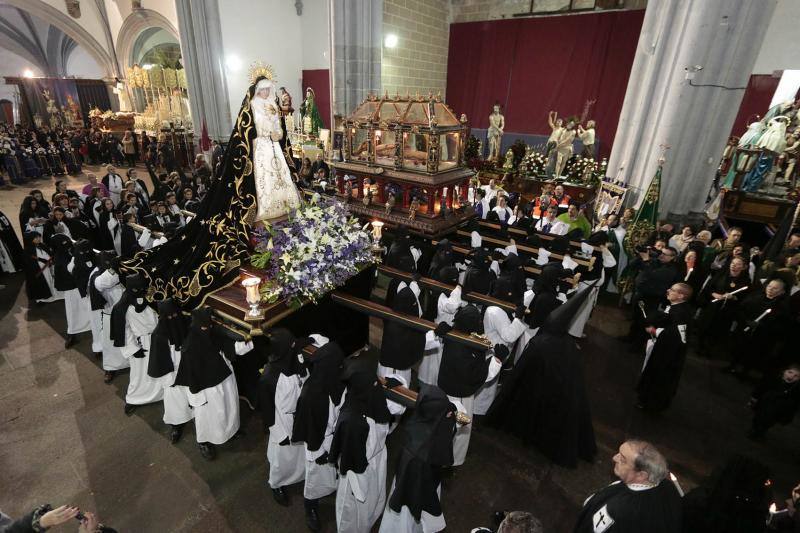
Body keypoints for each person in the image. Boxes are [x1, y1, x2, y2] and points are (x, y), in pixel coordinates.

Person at [487, 284, 597, 468]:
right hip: (558, 399)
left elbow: (520, 373)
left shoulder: (540, 343)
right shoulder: (569, 345)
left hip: (536, 391)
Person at [330, 358, 407, 533]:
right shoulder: (352, 421)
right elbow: (351, 459)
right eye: (374, 383)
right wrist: (360, 486)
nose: (377, 387)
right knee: (353, 510)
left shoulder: (370, 398)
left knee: (373, 500)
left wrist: (392, 382)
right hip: (359, 473)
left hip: (376, 460)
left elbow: (398, 407)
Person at [173, 308, 249, 460]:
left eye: (209, 326)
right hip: (207, 390)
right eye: (203, 327)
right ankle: (204, 441)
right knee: (207, 416)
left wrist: (247, 336)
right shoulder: (190, 347)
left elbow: (233, 348)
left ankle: (230, 432)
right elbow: (191, 378)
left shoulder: (215, 333)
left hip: (225, 379)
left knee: (229, 407)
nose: (206, 329)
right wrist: (196, 400)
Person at [379, 386, 458, 533]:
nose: (449, 414)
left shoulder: (423, 421)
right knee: (405, 521)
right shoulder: (417, 450)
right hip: (412, 484)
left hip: (424, 475)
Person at [436, 305, 504, 465]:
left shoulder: (453, 335)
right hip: (460, 396)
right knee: (459, 429)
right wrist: (497, 360)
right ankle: (451, 461)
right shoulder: (463, 347)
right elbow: (479, 375)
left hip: (444, 389)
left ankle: (442, 456)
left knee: (444, 426)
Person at [292, 338, 346, 531]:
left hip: (333, 438)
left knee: (332, 474)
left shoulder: (335, 381)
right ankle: (310, 507)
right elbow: (310, 429)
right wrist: (318, 452)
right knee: (315, 478)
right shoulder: (310, 395)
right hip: (319, 445)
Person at [573, 440, 682, 533]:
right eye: (618, 453)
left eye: (622, 460)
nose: (614, 458)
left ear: (641, 475)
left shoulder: (619, 510)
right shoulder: (667, 485)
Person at [259, 329, 311, 506]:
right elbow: (267, 411)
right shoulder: (269, 377)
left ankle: (301, 474)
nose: (295, 347)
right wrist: (279, 434)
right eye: (292, 345)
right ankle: (277, 483)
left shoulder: (294, 360)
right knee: (282, 458)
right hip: (283, 423)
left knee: (300, 453)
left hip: (300, 417)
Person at [110, 274, 164, 415]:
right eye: (136, 289)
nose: (141, 292)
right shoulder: (122, 307)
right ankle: (136, 398)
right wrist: (133, 349)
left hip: (158, 340)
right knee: (139, 374)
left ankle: (162, 393)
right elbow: (124, 330)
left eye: (143, 288)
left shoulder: (152, 301)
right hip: (141, 344)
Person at [636, 282, 693, 411]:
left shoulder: (681, 313)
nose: (668, 291)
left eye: (672, 290)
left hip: (668, 354)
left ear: (681, 296)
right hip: (666, 349)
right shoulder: (679, 308)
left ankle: (651, 404)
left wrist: (654, 331)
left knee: (659, 377)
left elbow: (675, 335)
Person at [147, 298, 193, 444]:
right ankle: (177, 425)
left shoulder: (187, 324)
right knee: (175, 401)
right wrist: (169, 381)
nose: (173, 318)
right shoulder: (159, 335)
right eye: (169, 317)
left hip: (190, 369)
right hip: (173, 374)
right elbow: (159, 361)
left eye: (175, 315)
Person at [726, 278, 790, 377]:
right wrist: (745, 321)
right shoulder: (755, 296)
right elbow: (741, 309)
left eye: (775, 288)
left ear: (782, 292)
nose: (770, 289)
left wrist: (760, 325)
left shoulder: (782, 306)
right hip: (744, 329)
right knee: (738, 349)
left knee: (753, 354)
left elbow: (779, 325)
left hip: (761, 336)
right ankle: (732, 366)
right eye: (769, 286)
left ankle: (744, 373)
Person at [626, 246, 681, 343]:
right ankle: (630, 338)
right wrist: (640, 255)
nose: (661, 255)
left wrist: (646, 260)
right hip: (640, 293)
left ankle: (638, 344)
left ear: (672, 257)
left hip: (651, 298)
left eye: (665, 254)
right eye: (661, 252)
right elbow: (632, 265)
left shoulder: (671, 269)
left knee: (644, 321)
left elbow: (652, 275)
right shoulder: (655, 261)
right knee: (636, 317)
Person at [379, 279, 425, 384]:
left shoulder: (393, 316)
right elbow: (421, 341)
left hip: (395, 367)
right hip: (394, 371)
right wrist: (435, 334)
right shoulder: (400, 326)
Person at [92, 251, 129, 382]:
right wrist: (113, 269)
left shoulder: (123, 268)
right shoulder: (98, 275)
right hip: (111, 313)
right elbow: (101, 284)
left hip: (128, 311)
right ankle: (111, 368)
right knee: (111, 343)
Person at [50, 234, 91, 349]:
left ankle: (88, 325)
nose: (68, 244)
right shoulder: (60, 257)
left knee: (86, 307)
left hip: (79, 286)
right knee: (73, 311)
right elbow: (70, 270)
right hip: (72, 289)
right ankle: (72, 333)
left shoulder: (66, 252)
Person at [747, 364, 800, 440]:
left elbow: (794, 404)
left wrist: (788, 416)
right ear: (784, 371)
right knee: (758, 418)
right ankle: (755, 429)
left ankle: (761, 432)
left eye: (796, 376)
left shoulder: (795, 389)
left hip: (777, 410)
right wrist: (754, 398)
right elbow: (761, 388)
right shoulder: (773, 380)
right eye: (790, 372)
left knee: (769, 422)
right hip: (764, 404)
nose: (791, 376)